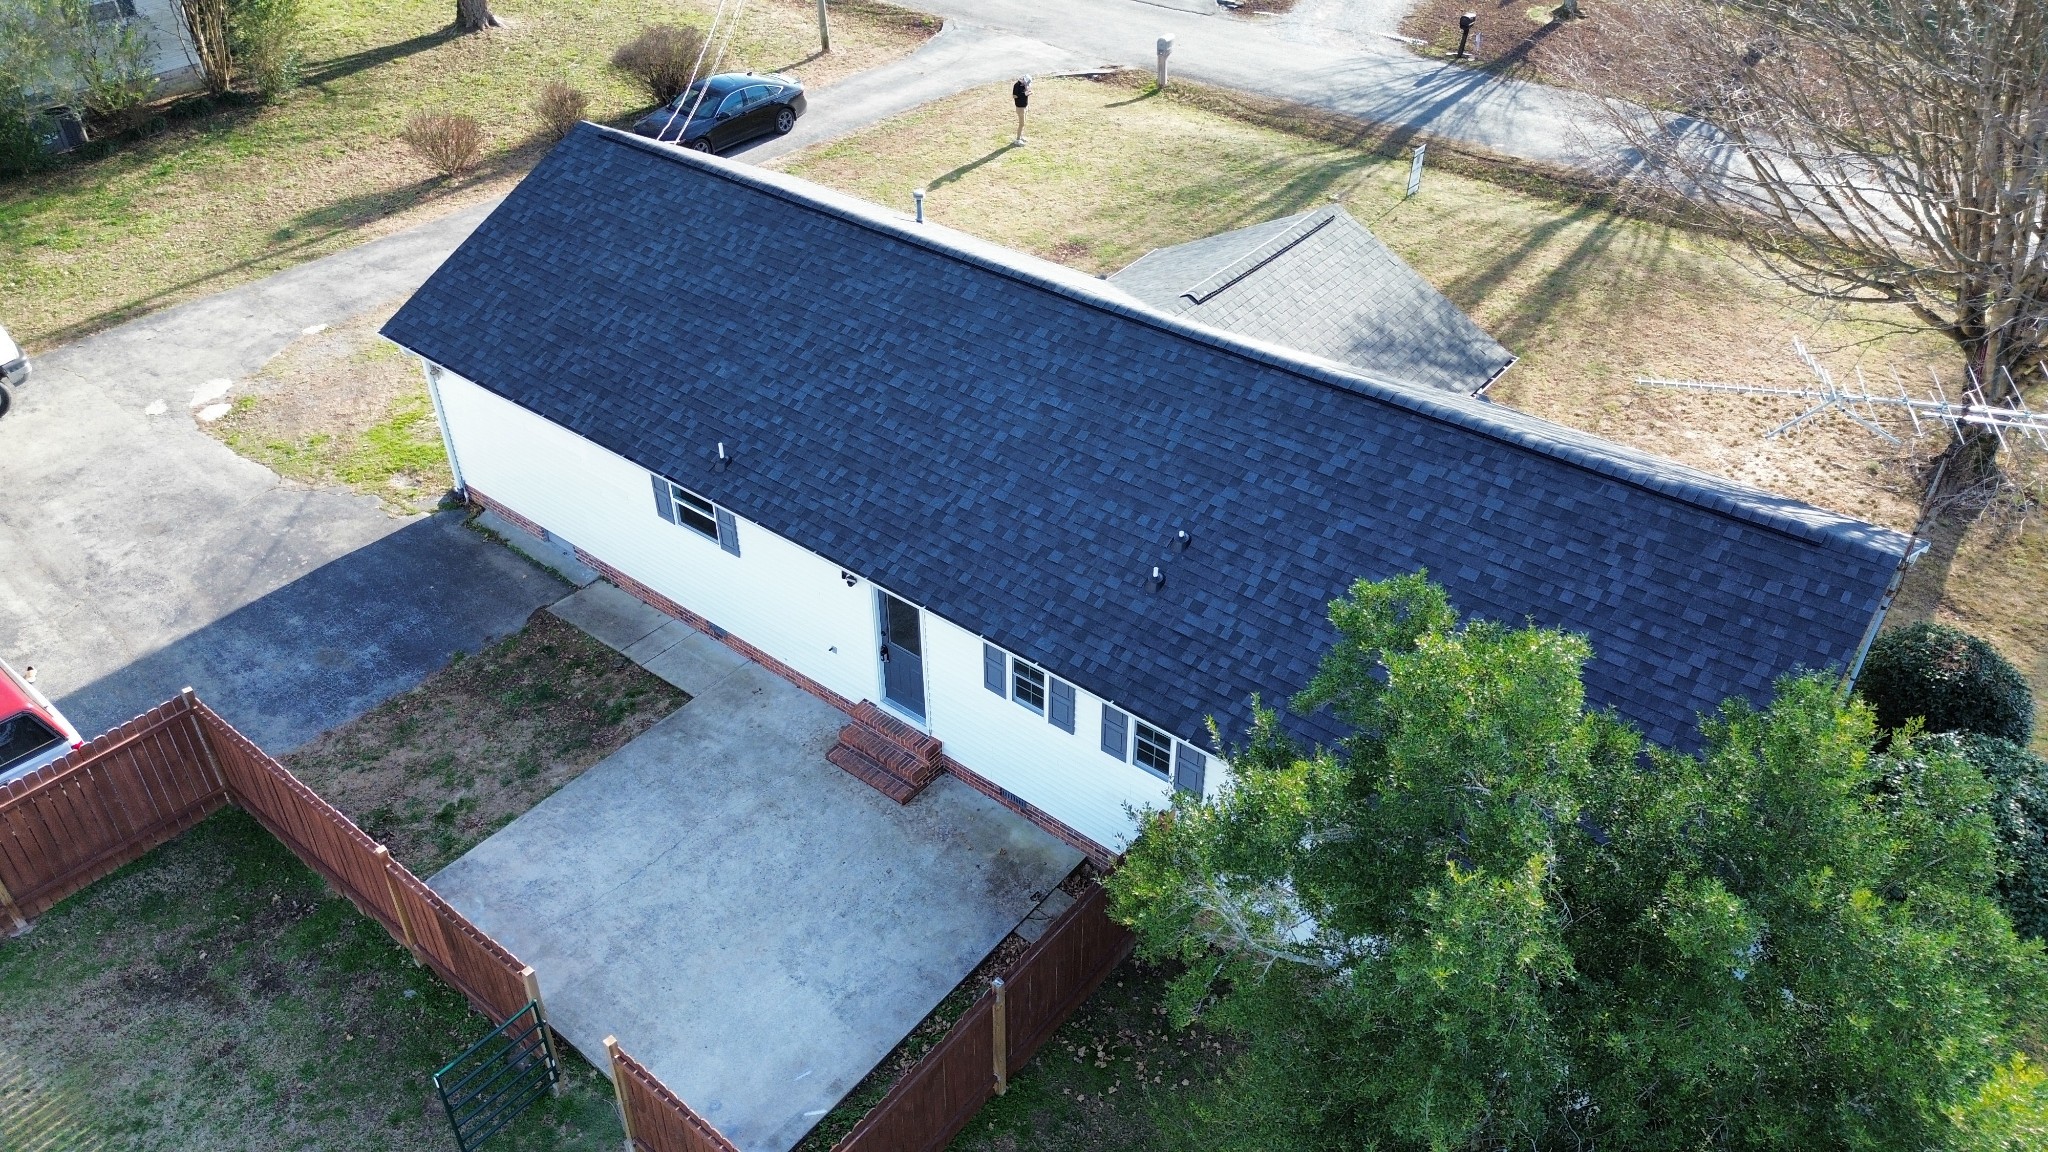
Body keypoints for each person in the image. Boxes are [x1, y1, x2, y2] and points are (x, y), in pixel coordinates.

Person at [1012, 75, 1031, 145]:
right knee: (1021, 124)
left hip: (1025, 106)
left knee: (1024, 123)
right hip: (1020, 108)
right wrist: (1024, 94)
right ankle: (1017, 139)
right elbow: (1014, 96)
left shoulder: (1024, 85)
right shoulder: (1017, 85)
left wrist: (1028, 92)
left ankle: (1021, 136)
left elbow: (1025, 92)